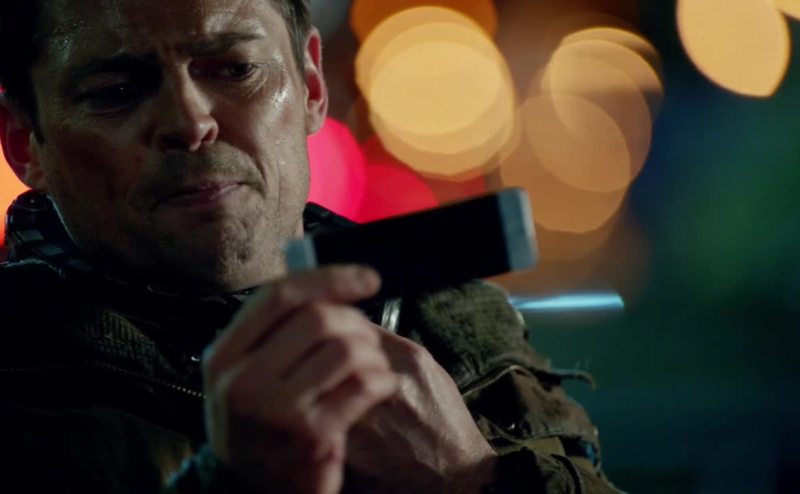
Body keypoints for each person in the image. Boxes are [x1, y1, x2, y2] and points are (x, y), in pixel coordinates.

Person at [0, 0, 621, 492]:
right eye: (114, 90)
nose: (190, 122)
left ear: (311, 87)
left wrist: (470, 478)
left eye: (235, 69)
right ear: (25, 143)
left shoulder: (462, 328)